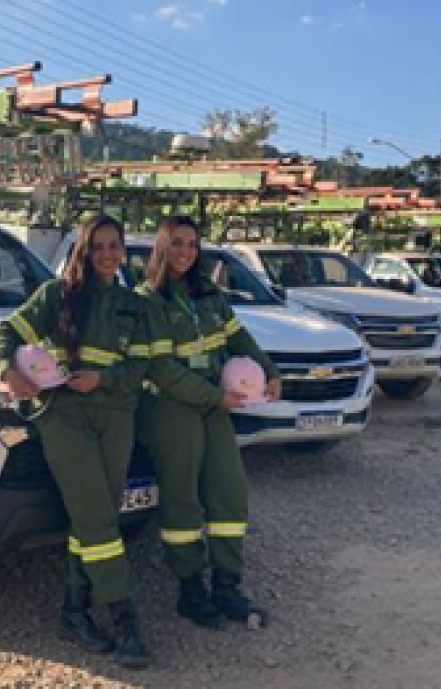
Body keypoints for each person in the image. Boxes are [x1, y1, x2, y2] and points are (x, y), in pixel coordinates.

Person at [0, 215, 153, 669]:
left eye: (113, 245)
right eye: (96, 245)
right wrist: (8, 371)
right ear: (82, 250)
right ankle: (125, 620)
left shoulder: (133, 305)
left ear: (123, 251)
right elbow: (5, 334)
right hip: (64, 417)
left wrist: (104, 377)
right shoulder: (56, 296)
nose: (106, 254)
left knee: (93, 518)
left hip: (115, 417)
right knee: (100, 519)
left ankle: (74, 612)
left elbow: (140, 370)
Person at [136, 215, 281, 630]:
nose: (186, 252)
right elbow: (162, 370)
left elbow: (240, 339)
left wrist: (269, 370)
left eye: (192, 245)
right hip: (169, 407)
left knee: (229, 491)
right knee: (182, 497)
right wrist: (215, 396)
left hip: (212, 404)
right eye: (177, 243)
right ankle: (189, 590)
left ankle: (227, 585)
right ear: (161, 248)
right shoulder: (148, 300)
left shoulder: (209, 296)